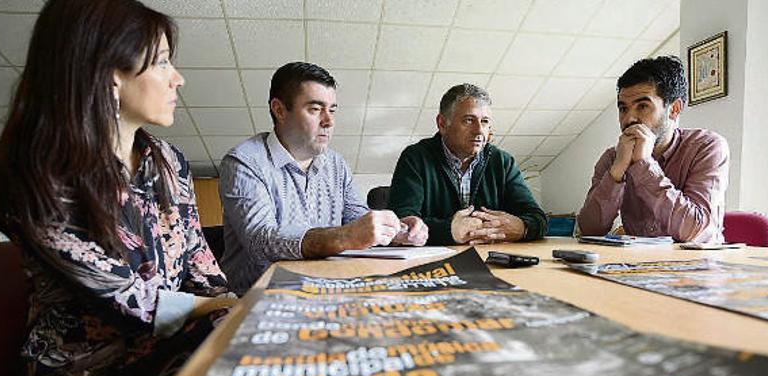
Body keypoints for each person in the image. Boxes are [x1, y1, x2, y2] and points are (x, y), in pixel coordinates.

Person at [0, 0, 236, 376]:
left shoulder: (167, 160)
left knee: (262, 349)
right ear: (106, 72)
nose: (178, 78)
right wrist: (237, 309)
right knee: (248, 358)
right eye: (160, 62)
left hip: (171, 343)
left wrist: (234, 305)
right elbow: (134, 304)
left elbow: (202, 268)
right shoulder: (39, 176)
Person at [219, 62, 428, 294]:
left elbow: (358, 219)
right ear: (279, 110)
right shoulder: (244, 162)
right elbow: (261, 240)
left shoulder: (336, 163)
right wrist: (344, 236)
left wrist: (397, 231)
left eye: (333, 109)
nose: (329, 121)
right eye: (315, 109)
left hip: (328, 289)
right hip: (257, 298)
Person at [577, 56, 729, 243]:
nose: (629, 119)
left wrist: (644, 165)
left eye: (642, 106)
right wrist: (615, 174)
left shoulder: (707, 147)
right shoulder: (612, 158)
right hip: (637, 267)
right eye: (623, 108)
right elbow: (588, 231)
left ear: (674, 109)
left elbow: (694, 232)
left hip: (696, 267)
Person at [387, 83, 547, 246]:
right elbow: (399, 224)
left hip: (490, 260)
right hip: (434, 263)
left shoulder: (502, 162)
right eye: (469, 120)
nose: (479, 130)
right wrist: (448, 231)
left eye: (484, 121)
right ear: (442, 124)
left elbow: (537, 218)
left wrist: (521, 227)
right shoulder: (416, 158)